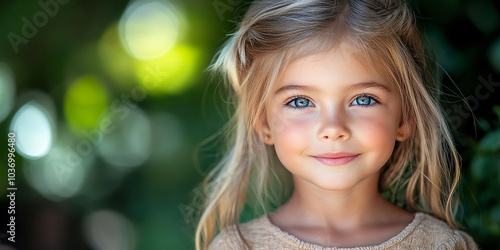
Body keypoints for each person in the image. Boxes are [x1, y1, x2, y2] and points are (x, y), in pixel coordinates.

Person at [195, 0, 478, 249]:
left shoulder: (442, 245)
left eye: (364, 100)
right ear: (264, 123)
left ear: (405, 118)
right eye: (301, 102)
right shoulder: (238, 247)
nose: (333, 128)